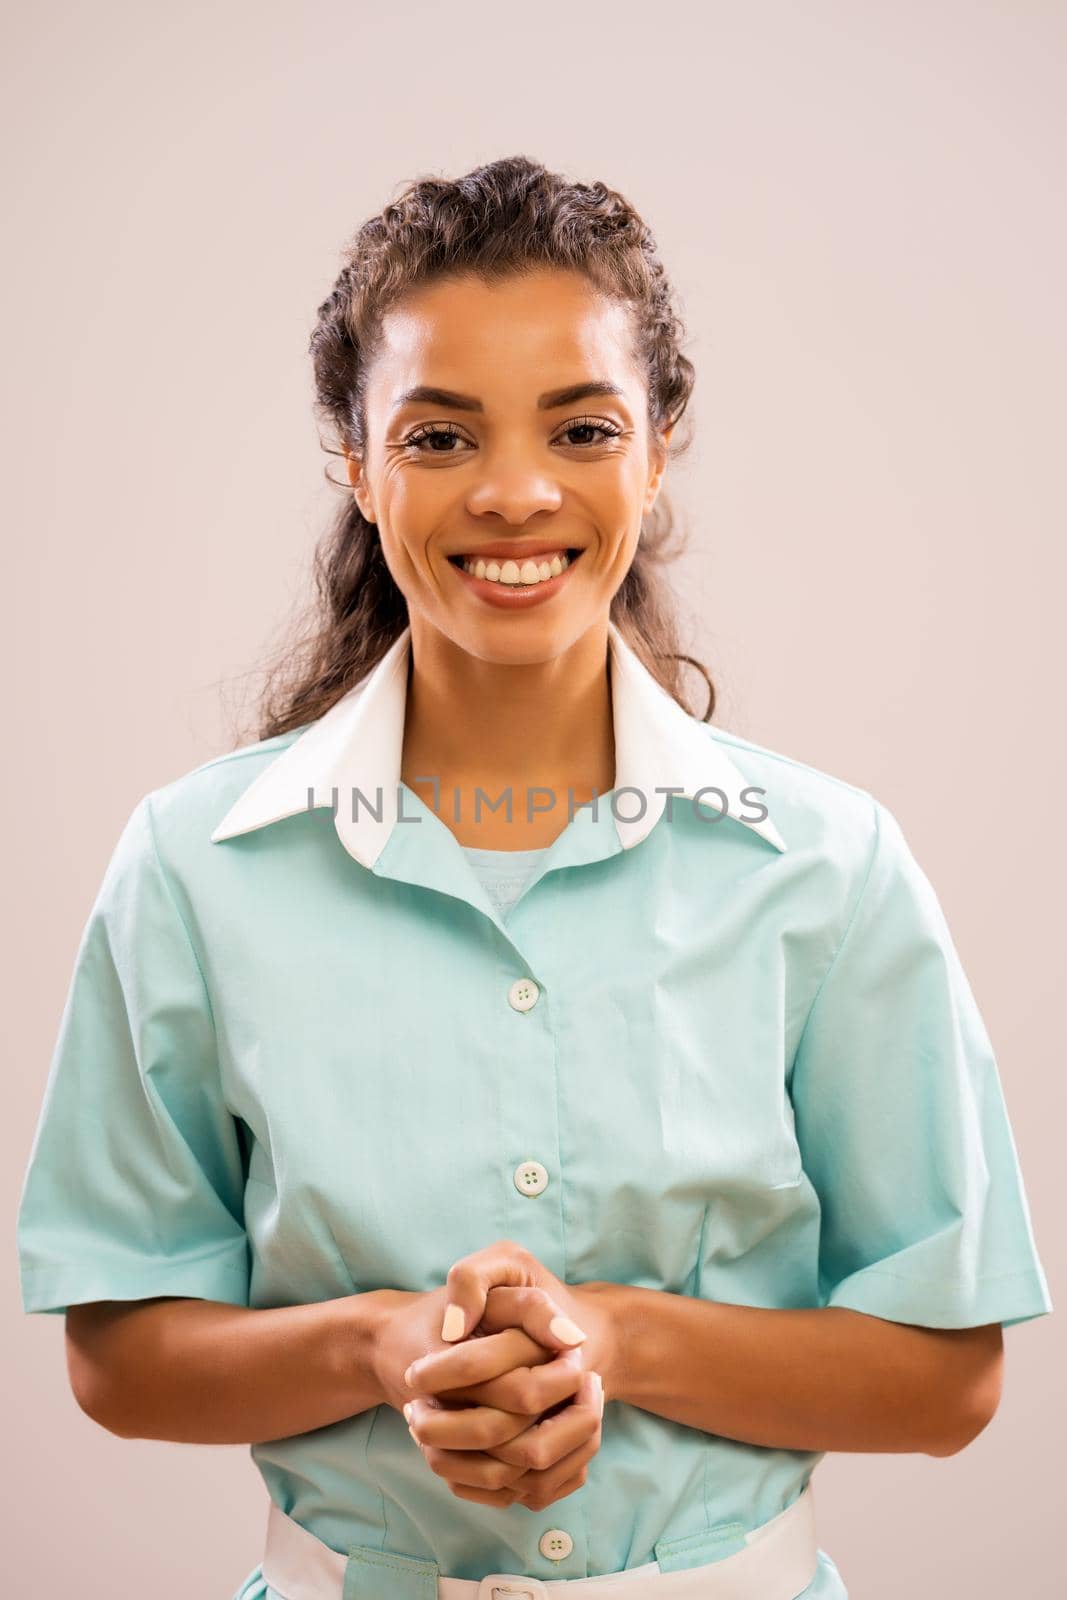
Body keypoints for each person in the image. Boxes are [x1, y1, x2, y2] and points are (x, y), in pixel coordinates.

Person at [16, 155, 1052, 1600]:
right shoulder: (195, 870)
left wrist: (613, 1343)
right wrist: (380, 1347)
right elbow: (118, 1355)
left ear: (658, 446)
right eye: (439, 437)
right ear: (356, 460)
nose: (514, 493)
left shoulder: (828, 869)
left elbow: (948, 1374)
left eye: (580, 427)